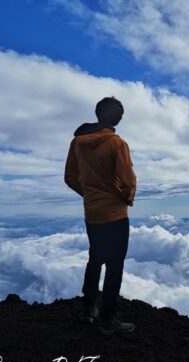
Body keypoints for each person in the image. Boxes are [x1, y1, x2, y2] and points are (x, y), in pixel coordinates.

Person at [64, 96, 137, 334]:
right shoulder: (117, 144)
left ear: (98, 114)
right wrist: (125, 199)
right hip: (115, 214)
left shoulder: (77, 143)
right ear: (118, 118)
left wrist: (89, 195)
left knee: (95, 258)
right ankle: (108, 320)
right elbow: (127, 181)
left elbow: (70, 177)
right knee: (115, 266)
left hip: (92, 213)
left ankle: (88, 309)